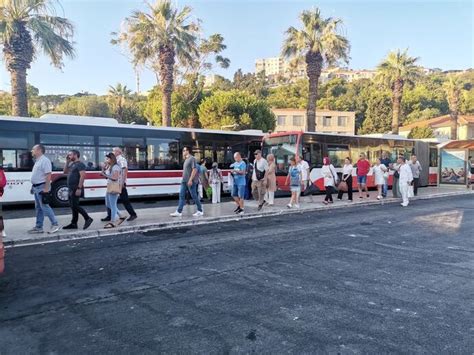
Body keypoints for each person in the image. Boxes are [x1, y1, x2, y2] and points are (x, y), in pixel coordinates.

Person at [28, 144, 60, 234]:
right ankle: (39, 227)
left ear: (39, 150)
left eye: (33, 149)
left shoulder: (45, 160)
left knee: (45, 207)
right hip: (36, 187)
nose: (32, 151)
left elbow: (48, 175)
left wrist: (46, 188)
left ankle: (55, 224)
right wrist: (33, 186)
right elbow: (38, 175)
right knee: (39, 208)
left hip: (42, 187)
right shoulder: (38, 161)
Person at [102, 147, 137, 222]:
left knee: (124, 199)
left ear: (118, 152)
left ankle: (132, 214)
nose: (113, 152)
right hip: (112, 183)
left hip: (119, 183)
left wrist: (123, 182)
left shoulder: (121, 160)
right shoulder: (113, 160)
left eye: (114, 151)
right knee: (109, 200)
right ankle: (110, 215)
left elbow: (124, 171)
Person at [62, 150, 93, 230]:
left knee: (75, 206)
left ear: (75, 155)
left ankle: (87, 218)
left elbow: (82, 176)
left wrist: (79, 188)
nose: (69, 156)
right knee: (73, 206)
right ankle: (74, 223)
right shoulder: (72, 164)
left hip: (76, 188)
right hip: (71, 188)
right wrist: (67, 161)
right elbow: (65, 172)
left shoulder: (80, 164)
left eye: (70, 155)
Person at [170, 146, 203, 217]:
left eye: (184, 150)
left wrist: (190, 180)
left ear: (188, 151)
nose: (183, 152)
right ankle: (179, 211)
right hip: (184, 181)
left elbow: (194, 170)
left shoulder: (192, 159)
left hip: (190, 181)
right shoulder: (186, 160)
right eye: (183, 151)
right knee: (181, 195)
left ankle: (200, 210)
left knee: (194, 196)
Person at [102, 153, 126, 228]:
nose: (106, 160)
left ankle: (112, 222)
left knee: (112, 205)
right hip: (110, 186)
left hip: (114, 187)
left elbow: (115, 178)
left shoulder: (115, 167)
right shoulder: (110, 166)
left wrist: (105, 175)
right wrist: (103, 169)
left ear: (111, 159)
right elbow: (106, 175)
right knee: (108, 204)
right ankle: (121, 216)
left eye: (107, 159)